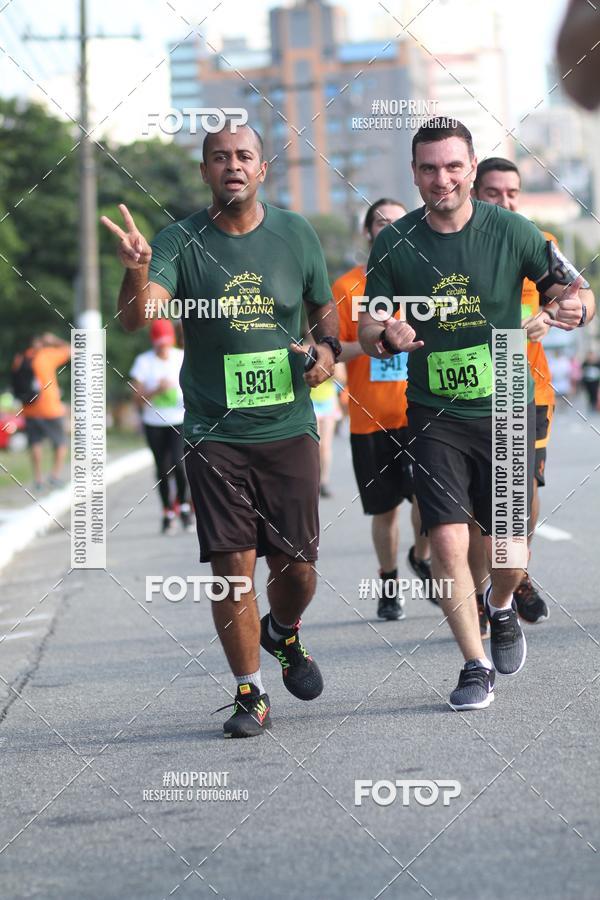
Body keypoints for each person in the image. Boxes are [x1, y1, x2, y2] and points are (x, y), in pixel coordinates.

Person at [102, 121, 340, 738]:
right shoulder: (179, 240)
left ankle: (283, 633)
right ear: (205, 171)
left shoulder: (295, 234)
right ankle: (250, 691)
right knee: (233, 568)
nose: (232, 165)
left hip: (288, 427)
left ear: (263, 169)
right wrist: (136, 269)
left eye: (244, 156)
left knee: (296, 569)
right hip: (213, 432)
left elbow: (323, 306)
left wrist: (329, 350)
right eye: (219, 157)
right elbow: (138, 317)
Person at [359, 119, 595, 711]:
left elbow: (575, 292)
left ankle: (502, 604)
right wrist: (388, 334)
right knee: (446, 537)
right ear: (414, 174)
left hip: (509, 404)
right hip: (434, 411)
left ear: (471, 168)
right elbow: (366, 329)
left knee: (511, 550)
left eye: (454, 166)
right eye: (430, 168)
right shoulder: (394, 243)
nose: (442, 178)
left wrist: (574, 309)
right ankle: (474, 662)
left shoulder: (514, 230)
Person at [472, 157, 559, 629]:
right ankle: (478, 591)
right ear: (473, 194)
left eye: (512, 193)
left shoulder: (539, 243)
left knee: (521, 496)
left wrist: (552, 315)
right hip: (465, 398)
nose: (505, 202)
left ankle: (513, 577)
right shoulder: (454, 248)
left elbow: (574, 296)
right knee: (471, 511)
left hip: (528, 393)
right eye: (493, 193)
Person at [335, 197, 432, 621]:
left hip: (422, 415)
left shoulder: (424, 280)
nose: (390, 228)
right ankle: (389, 581)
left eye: (398, 221)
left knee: (432, 501)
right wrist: (378, 343)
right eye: (381, 222)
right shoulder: (347, 288)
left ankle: (422, 555)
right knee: (384, 509)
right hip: (369, 417)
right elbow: (333, 349)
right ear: (368, 232)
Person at [129, 318, 192, 533]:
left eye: (166, 343)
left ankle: (183, 506)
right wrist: (155, 390)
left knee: (179, 463)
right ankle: (167, 511)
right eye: (159, 344)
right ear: (153, 342)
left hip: (179, 420)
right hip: (154, 422)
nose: (163, 348)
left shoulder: (181, 357)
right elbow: (136, 398)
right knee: (163, 468)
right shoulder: (143, 362)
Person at [12, 332, 71, 490]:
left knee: (35, 443)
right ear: (41, 343)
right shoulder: (46, 355)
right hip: (50, 408)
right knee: (61, 443)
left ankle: (38, 480)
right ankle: (54, 476)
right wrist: (54, 340)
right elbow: (72, 349)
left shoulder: (20, 358)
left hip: (29, 408)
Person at [310, 369, 341, 498]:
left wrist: (329, 370)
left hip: (329, 401)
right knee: (315, 445)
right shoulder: (307, 351)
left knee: (326, 447)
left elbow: (342, 377)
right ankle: (313, 482)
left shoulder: (331, 351)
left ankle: (324, 482)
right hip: (311, 400)